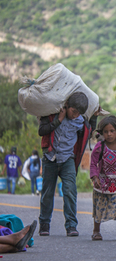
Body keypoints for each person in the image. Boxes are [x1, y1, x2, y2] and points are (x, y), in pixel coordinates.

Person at [38, 92, 100, 237]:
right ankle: (44, 224)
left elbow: (89, 132)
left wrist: (95, 116)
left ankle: (71, 225)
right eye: (73, 111)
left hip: (68, 160)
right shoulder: (53, 115)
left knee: (70, 191)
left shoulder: (80, 121)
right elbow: (42, 131)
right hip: (50, 158)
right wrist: (58, 120)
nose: (75, 115)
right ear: (67, 106)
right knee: (47, 193)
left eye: (78, 113)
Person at [90, 115, 116, 241]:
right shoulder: (100, 146)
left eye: (112, 131)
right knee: (99, 206)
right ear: (102, 133)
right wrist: (95, 178)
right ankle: (96, 231)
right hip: (102, 181)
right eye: (106, 132)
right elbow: (93, 163)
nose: (109, 134)